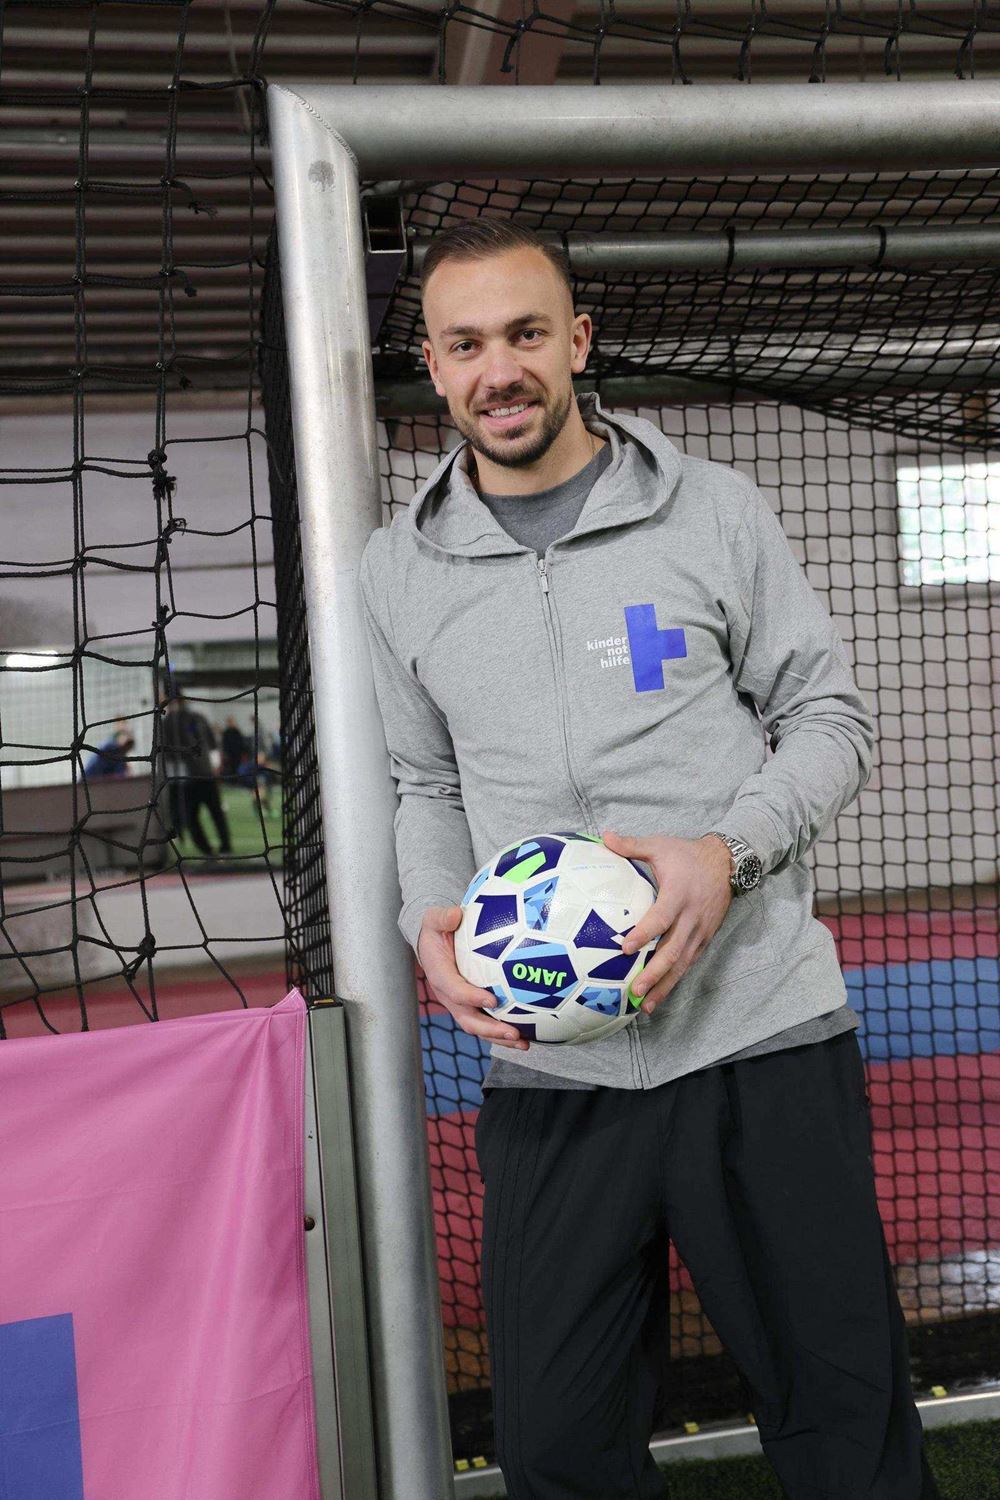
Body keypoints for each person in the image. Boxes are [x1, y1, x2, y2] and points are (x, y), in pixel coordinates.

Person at [359, 220, 941, 1500]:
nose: (499, 370)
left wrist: (727, 854)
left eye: (525, 334)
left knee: (845, 1426)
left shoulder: (711, 511)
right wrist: (431, 919)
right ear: (434, 365)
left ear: (576, 341)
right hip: (553, 1070)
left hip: (760, 1038)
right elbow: (423, 784)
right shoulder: (398, 571)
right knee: (557, 1451)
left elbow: (830, 721)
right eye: (466, 344)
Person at [159, 687, 232, 858]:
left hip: (189, 777)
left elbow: (167, 751)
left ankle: (209, 851)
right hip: (204, 773)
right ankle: (224, 848)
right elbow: (212, 743)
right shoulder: (196, 717)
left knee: (192, 817)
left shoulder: (169, 722)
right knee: (214, 813)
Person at [221, 716, 247, 782]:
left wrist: (243, 752)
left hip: (238, 753)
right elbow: (224, 744)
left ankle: (238, 780)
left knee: (238, 767)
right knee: (231, 768)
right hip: (230, 754)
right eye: (230, 722)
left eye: (232, 722)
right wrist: (225, 753)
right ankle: (233, 780)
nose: (231, 723)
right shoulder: (226, 732)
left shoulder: (237, 731)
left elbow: (241, 742)